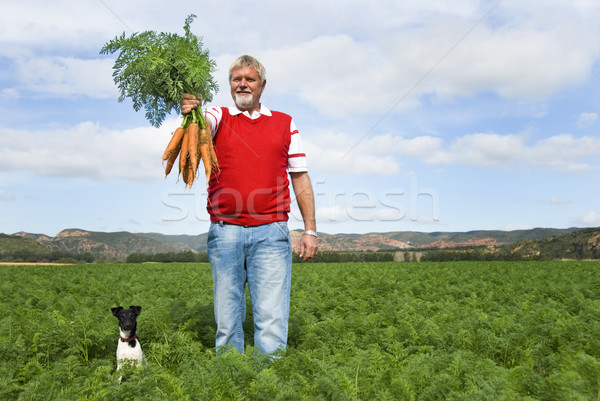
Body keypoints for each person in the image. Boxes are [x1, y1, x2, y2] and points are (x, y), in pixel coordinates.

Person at [181, 55, 319, 355]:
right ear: (230, 85)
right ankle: (230, 381)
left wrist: (310, 229)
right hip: (225, 232)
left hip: (271, 232)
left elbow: (300, 177)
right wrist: (193, 111)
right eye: (236, 79)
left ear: (262, 85)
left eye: (250, 79)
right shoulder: (217, 116)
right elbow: (201, 124)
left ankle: (267, 385)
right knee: (227, 320)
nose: (242, 84)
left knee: (271, 318)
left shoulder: (285, 123)